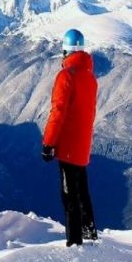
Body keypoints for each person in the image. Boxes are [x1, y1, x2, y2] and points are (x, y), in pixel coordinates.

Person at [41, 28, 99, 246]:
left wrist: (48, 143)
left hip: (67, 144)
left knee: (69, 195)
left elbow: (58, 111)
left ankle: (74, 242)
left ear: (65, 50)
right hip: (83, 141)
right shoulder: (90, 77)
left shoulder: (66, 76)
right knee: (82, 189)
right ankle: (89, 231)